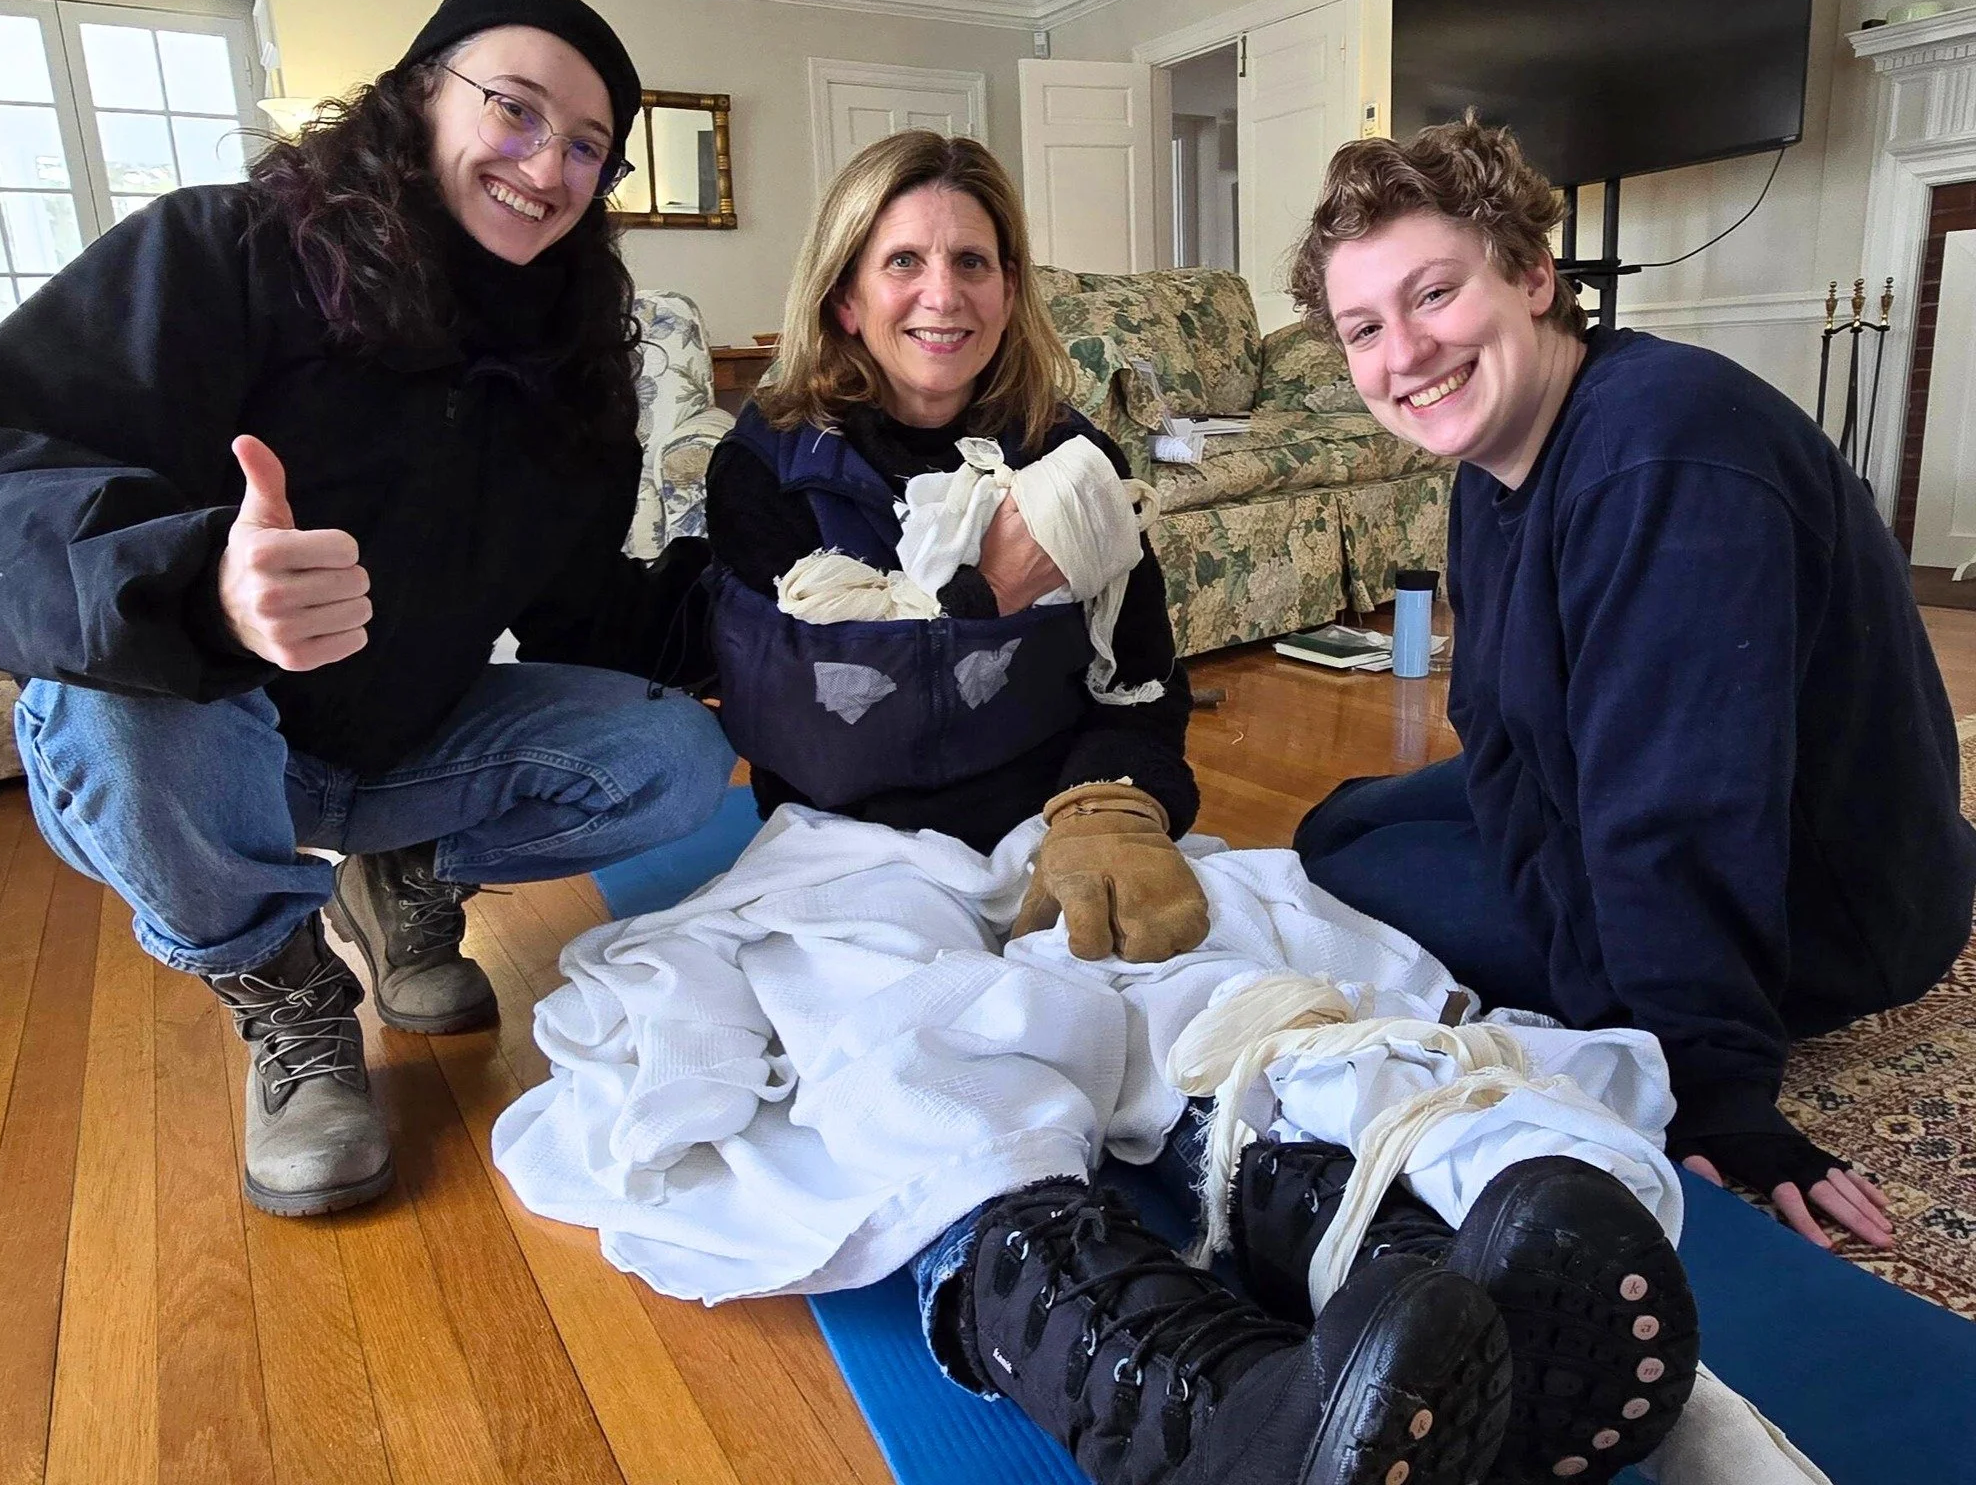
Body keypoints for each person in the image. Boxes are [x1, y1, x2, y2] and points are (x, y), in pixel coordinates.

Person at [689, 128, 1652, 1485]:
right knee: (921, 1068)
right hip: (853, 848)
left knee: (1209, 1000)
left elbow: (1141, 692)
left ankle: (1426, 1287)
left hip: (1052, 821)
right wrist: (984, 604)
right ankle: (1220, 1415)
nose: (942, 293)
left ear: (1013, 290)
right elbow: (815, 722)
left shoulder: (1071, 459)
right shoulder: (767, 467)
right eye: (902, 260)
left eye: (975, 261)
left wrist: (1116, 804)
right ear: (846, 292)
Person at [0, 0, 734, 1218]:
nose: (547, 165)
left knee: (674, 756)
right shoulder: (219, 251)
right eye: (514, 111)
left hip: (401, 742)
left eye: (586, 147)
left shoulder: (577, 360)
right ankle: (285, 992)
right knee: (136, 704)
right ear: (420, 94)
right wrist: (200, 587)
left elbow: (584, 614)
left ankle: (404, 874)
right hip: (195, 732)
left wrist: (772, 599)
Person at [1283, 114, 1976, 1251]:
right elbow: (1494, 721)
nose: (1400, 355)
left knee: (1360, 879)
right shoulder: (1494, 464)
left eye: (1432, 295)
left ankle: (1693, 1009)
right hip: (1607, 780)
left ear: (1533, 278)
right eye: (1363, 328)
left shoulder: (1662, 446)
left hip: (1827, 903)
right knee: (1339, 828)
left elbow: (1687, 801)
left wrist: (1704, 1087)